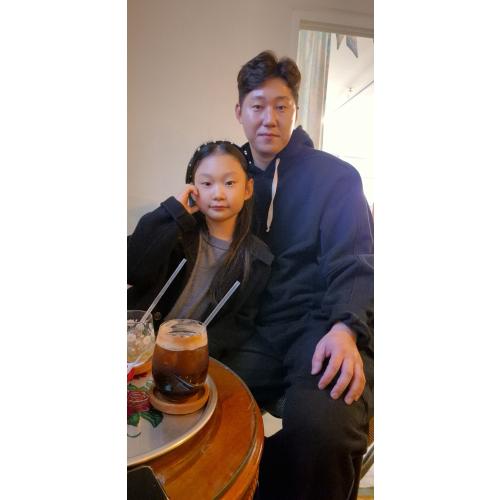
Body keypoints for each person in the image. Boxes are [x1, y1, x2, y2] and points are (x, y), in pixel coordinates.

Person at [218, 51, 374, 500]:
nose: (269, 118)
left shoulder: (336, 177)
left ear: (295, 111)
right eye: (258, 105)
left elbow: (355, 259)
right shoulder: (227, 178)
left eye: (281, 106)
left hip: (318, 326)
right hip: (251, 330)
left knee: (325, 430)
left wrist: (346, 328)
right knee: (195, 404)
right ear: (240, 111)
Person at [127, 141, 273, 359]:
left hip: (190, 357)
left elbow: (239, 323)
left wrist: (200, 351)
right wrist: (172, 214)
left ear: (247, 189)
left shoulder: (257, 258)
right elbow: (132, 269)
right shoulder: (175, 232)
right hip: (136, 344)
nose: (218, 194)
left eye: (229, 183)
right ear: (193, 189)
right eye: (206, 183)